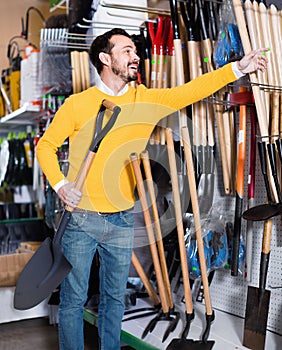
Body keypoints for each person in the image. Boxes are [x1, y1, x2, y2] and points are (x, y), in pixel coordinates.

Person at [36, 28, 268, 350]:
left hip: (120, 218)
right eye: (127, 51)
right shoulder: (78, 105)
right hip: (81, 217)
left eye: (135, 51)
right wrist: (61, 186)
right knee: (74, 300)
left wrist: (238, 69)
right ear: (106, 58)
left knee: (114, 300)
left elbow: (190, 91)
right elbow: (45, 146)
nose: (136, 57)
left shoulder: (143, 100)